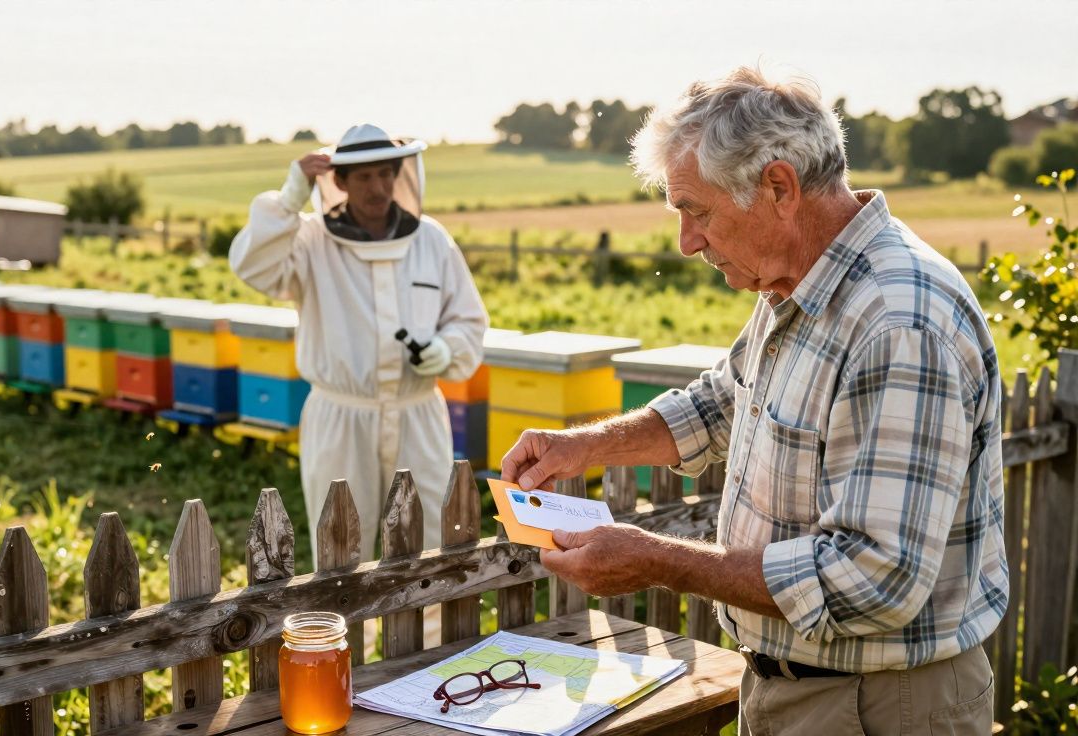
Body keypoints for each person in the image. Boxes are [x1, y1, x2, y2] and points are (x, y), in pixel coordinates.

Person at [501, 66, 1005, 734]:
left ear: (779, 188)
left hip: (879, 705)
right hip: (804, 688)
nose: (687, 243)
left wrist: (658, 562)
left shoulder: (899, 322)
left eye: (697, 212)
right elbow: (721, 401)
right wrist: (585, 446)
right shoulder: (793, 282)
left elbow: (873, 580)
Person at [231, 123, 488, 560]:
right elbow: (253, 266)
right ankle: (347, 612)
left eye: (385, 174)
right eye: (365, 177)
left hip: (417, 412)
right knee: (341, 546)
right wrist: (289, 199)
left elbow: (467, 317)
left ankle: (423, 612)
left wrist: (448, 348)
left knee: (427, 540)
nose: (378, 187)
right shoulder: (310, 240)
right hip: (341, 417)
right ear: (341, 181)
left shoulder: (431, 240)